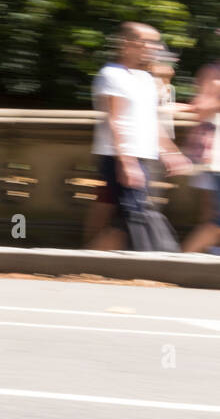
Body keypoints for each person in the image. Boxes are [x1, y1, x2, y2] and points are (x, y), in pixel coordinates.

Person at [86, 22, 190, 251]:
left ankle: (87, 262)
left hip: (140, 156)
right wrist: (127, 163)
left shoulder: (145, 78)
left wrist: (171, 152)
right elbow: (116, 121)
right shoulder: (111, 75)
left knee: (129, 216)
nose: (155, 48)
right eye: (148, 42)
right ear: (127, 44)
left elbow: (151, 121)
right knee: (131, 217)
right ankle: (83, 265)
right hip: (118, 157)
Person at [181, 60, 220, 253]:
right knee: (213, 217)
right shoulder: (213, 72)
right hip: (212, 153)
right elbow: (201, 107)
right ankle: (182, 263)